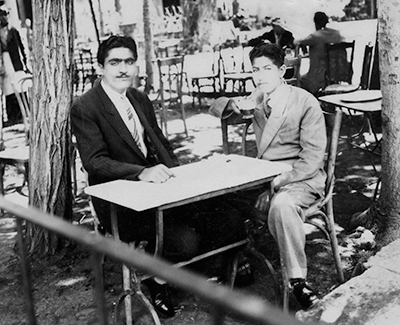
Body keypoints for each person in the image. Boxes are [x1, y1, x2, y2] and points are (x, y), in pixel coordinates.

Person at [71, 35, 248, 318]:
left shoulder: (139, 98)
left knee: (228, 217)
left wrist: (179, 175)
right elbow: (95, 162)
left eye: (129, 62)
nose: (123, 70)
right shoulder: (86, 106)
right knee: (184, 242)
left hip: (162, 190)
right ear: (100, 68)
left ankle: (219, 267)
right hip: (121, 200)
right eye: (114, 62)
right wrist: (141, 172)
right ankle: (157, 282)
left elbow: (160, 143)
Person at [209, 43, 327, 310]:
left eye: (267, 69)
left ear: (282, 70)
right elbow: (216, 110)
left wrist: (275, 185)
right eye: (255, 70)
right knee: (219, 197)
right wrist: (233, 103)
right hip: (264, 176)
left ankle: (298, 282)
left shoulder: (304, 101)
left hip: (301, 177)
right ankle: (239, 262)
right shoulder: (259, 98)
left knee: (282, 205)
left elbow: (312, 159)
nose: (260, 76)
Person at [294, 11, 344, 95]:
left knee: (299, 81)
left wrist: (302, 44)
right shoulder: (337, 34)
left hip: (320, 77)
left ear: (315, 22)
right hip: (339, 74)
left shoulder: (315, 36)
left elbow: (296, 42)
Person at [0, 8, 30, 126]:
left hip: (16, 62)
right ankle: (12, 116)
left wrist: (25, 64)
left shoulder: (13, 31)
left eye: (5, 15)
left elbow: (22, 48)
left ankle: (22, 114)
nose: (3, 18)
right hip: (5, 61)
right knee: (8, 88)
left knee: (19, 85)